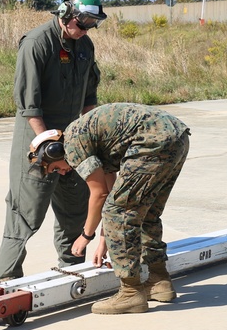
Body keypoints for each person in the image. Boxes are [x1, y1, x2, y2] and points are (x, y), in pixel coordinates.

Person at [29, 103, 190, 315]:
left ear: (54, 150)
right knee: (145, 211)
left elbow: (100, 196)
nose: (61, 172)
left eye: (55, 168)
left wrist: (86, 236)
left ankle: (131, 293)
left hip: (151, 142)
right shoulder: (86, 137)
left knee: (119, 212)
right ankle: (159, 281)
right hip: (176, 136)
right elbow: (113, 192)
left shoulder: (72, 146)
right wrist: (105, 241)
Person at [0, 0, 106, 282]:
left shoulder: (84, 45)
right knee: (25, 214)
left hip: (72, 139)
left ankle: (73, 268)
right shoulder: (36, 43)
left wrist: (87, 135)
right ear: (65, 13)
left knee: (75, 209)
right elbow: (28, 103)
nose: (85, 29)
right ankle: (7, 279)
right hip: (37, 139)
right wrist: (45, 145)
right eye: (82, 22)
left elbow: (89, 96)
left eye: (92, 24)